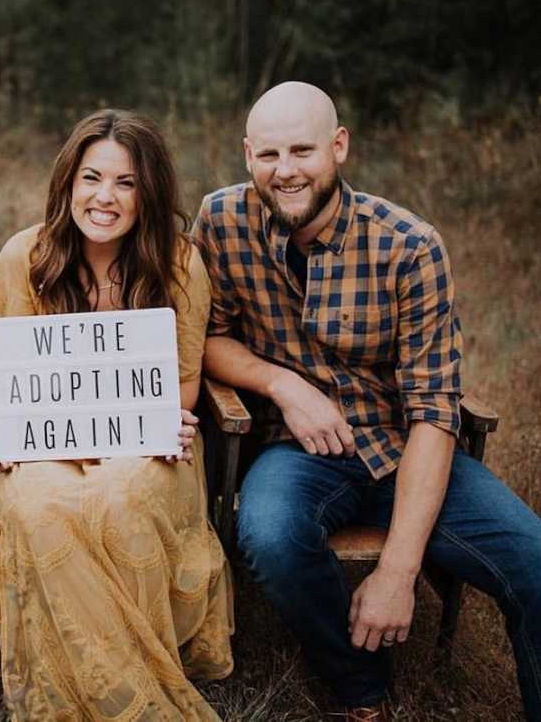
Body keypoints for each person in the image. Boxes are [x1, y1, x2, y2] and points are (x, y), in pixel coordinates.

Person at [192, 81, 541, 721]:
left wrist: (395, 575)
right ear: (247, 154)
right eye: (269, 155)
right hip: (297, 451)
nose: (286, 171)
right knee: (268, 533)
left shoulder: (409, 246)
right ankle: (360, 685)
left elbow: (435, 412)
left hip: (405, 449)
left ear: (339, 146)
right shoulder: (220, 221)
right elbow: (207, 337)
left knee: (536, 564)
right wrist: (283, 384)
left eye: (303, 150)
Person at [0, 109, 234, 720]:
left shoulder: (180, 263)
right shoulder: (26, 255)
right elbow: (0, 375)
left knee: (120, 496)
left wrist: (166, 418)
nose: (105, 198)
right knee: (38, 504)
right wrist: (3, 431)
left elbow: (185, 385)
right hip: (45, 446)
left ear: (149, 193)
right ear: (68, 183)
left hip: (146, 443)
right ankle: (119, 698)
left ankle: (119, 688)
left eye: (126, 183)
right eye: (92, 178)